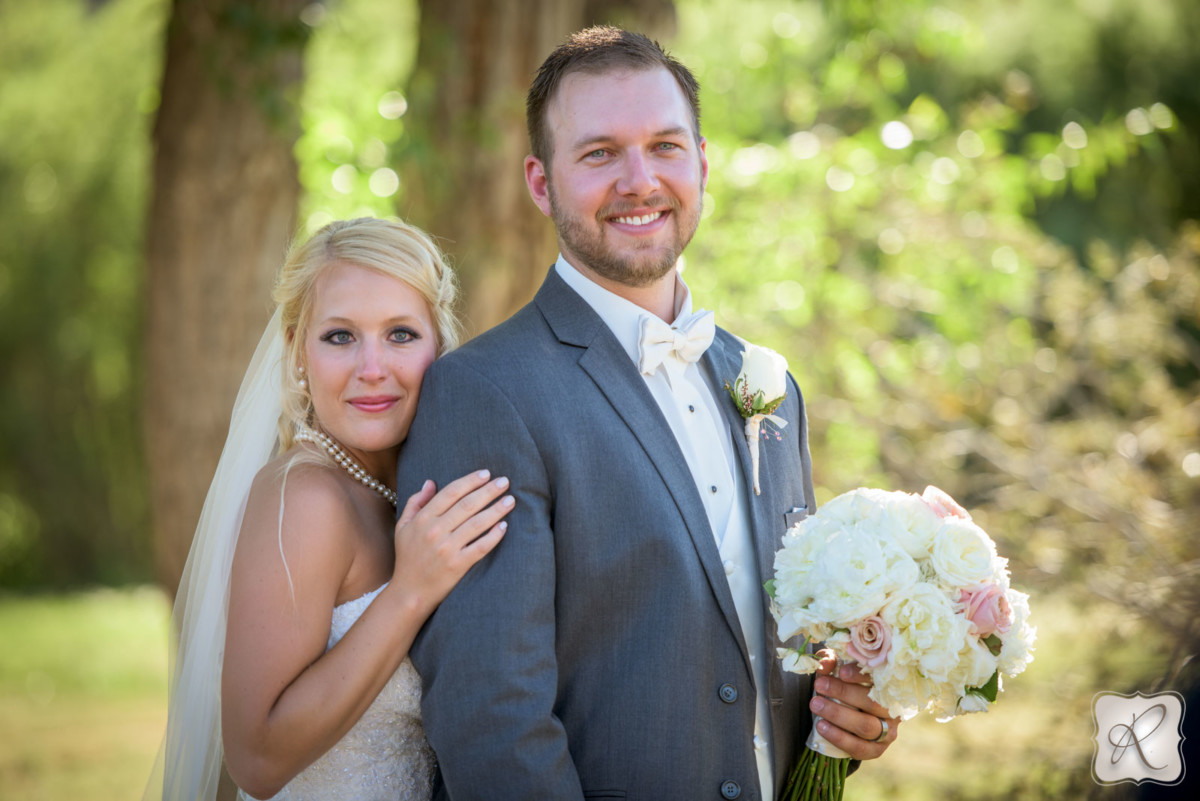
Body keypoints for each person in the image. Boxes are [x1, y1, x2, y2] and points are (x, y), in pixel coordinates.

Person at [398, 26, 899, 800]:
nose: (640, 180)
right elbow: (493, 719)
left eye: (665, 146)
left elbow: (761, 642)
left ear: (702, 162)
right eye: (599, 154)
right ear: (541, 182)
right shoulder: (486, 393)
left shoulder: (768, 384)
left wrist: (844, 718)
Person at [144, 217, 513, 801]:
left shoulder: (412, 489)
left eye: (400, 334)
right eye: (340, 336)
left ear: (439, 344)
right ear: (296, 350)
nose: (373, 368)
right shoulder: (305, 499)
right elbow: (257, 760)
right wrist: (409, 592)